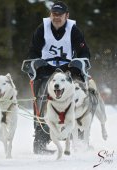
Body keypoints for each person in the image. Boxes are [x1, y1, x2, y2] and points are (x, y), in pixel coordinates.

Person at [27, 1, 91, 154]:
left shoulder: (73, 30)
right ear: (50, 15)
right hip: (46, 69)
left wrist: (78, 65)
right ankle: (41, 138)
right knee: (42, 97)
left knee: (78, 95)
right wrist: (36, 63)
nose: (57, 17)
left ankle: (79, 136)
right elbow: (33, 51)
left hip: (67, 69)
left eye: (60, 14)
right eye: (54, 14)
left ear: (66, 16)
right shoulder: (42, 29)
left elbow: (84, 52)